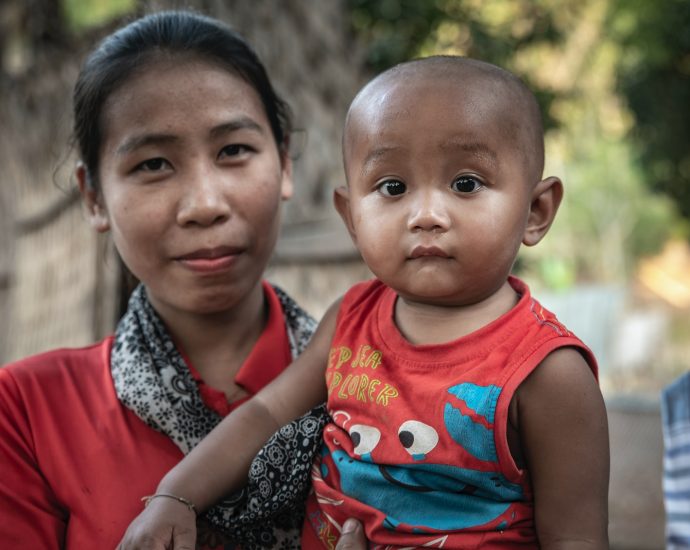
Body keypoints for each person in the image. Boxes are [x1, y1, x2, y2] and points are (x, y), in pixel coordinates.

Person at [119, 56, 610, 549]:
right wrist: (175, 496)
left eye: (466, 183)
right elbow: (267, 414)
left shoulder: (547, 373)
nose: (426, 214)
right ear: (352, 217)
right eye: (392, 187)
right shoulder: (351, 320)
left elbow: (575, 539)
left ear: (536, 211)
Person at [0, 10, 368, 550]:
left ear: (285, 161)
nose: (204, 205)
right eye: (153, 164)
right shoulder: (28, 412)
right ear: (93, 195)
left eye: (234, 151)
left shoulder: (378, 385)